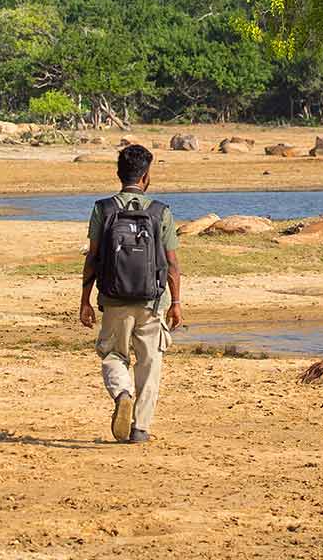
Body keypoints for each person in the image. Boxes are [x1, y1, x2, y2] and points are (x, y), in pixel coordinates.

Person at [80, 144, 184, 444]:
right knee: (150, 363)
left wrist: (84, 301)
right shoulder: (160, 211)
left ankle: (122, 392)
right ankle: (140, 428)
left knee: (114, 355)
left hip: (113, 300)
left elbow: (93, 257)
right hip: (152, 302)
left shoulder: (103, 208)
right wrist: (176, 303)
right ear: (146, 176)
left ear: (118, 174)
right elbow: (172, 263)